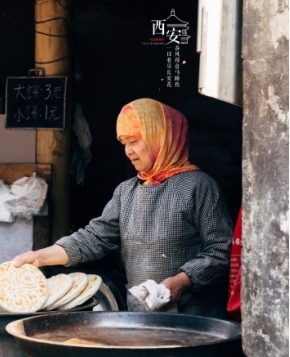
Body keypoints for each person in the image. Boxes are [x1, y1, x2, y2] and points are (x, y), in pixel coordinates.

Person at [13, 98, 233, 318]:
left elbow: (221, 250)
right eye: (124, 143)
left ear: (161, 138)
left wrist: (180, 282)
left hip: (194, 316)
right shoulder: (126, 191)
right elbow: (93, 238)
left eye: (135, 141)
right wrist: (40, 257)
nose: (128, 151)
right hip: (141, 314)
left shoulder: (199, 186)